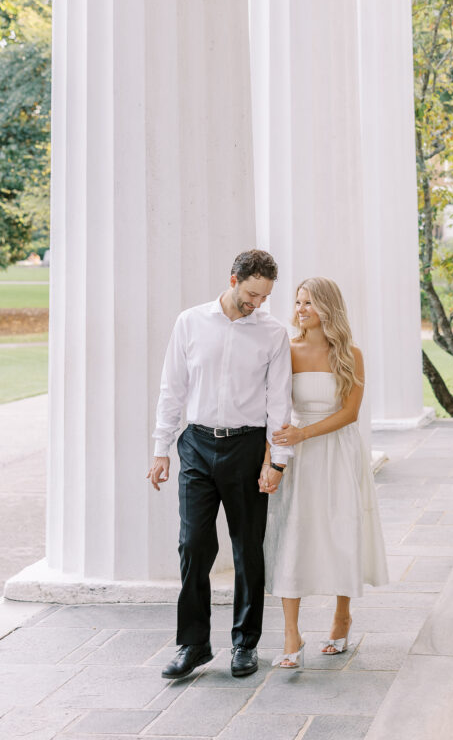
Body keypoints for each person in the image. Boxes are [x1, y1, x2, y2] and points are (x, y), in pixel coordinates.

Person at [147, 249, 292, 680]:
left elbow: (279, 402)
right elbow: (172, 388)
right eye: (251, 294)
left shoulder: (272, 334)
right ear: (233, 280)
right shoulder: (190, 322)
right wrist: (161, 449)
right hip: (196, 444)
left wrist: (277, 462)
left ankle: (245, 644)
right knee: (193, 545)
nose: (257, 304)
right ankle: (193, 645)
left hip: (247, 448)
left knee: (248, 546)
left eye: (264, 296)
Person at [262, 276, 388, 668]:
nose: (301, 309)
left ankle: (342, 615)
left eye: (309, 303)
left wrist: (304, 433)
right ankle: (291, 633)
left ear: (328, 308)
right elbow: (274, 411)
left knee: (340, 529)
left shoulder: (350, 353)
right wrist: (273, 457)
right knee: (292, 534)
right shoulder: (287, 349)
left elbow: (350, 413)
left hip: (339, 450)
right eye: (298, 302)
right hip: (298, 455)